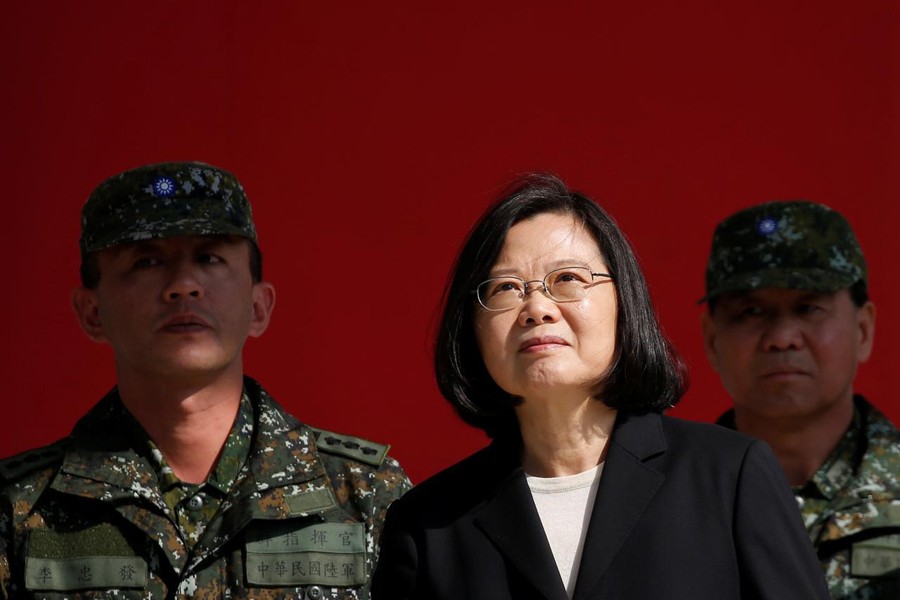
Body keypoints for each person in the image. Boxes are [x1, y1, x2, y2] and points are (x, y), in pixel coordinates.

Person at [371, 174, 830, 599]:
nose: (537, 308)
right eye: (506, 288)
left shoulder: (729, 476)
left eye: (567, 279)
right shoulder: (427, 524)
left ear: (623, 304)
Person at [0, 162, 411, 599]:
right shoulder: (20, 509)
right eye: (147, 261)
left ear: (258, 306)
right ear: (92, 312)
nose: (183, 285)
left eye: (209, 257)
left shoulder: (364, 494)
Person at [699, 200, 900, 599]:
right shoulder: (667, 499)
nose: (782, 337)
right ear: (712, 340)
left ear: (863, 330)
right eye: (752, 311)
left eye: (809, 308)